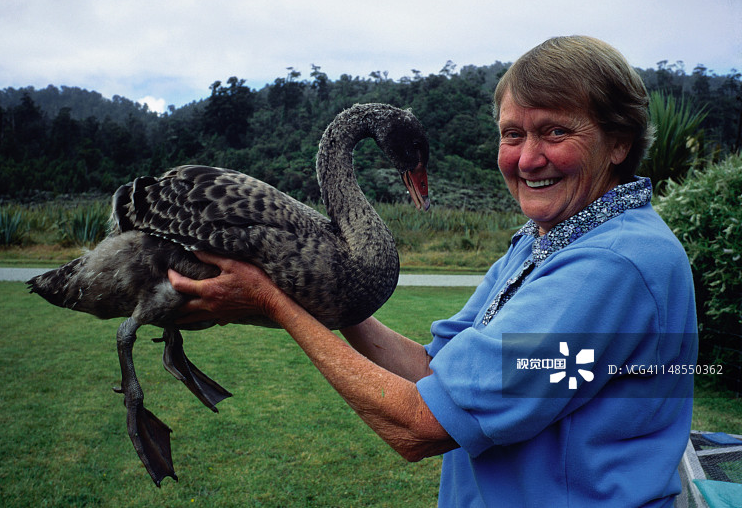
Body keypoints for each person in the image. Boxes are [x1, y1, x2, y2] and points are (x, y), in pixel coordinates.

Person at [168, 36, 698, 507]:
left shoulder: (610, 265)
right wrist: (334, 291)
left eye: (555, 132)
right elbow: (431, 369)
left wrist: (273, 300)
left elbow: (420, 424)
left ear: (620, 142)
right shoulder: (547, 242)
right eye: (512, 134)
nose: (528, 158)